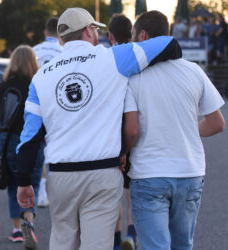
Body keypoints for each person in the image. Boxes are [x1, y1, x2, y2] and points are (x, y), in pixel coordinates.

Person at [15, 7, 182, 250]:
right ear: (88, 30)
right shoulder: (113, 57)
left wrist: (23, 181)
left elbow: (29, 138)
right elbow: (169, 43)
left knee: (62, 242)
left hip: (60, 175)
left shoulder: (40, 77)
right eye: (95, 29)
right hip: (102, 173)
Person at [124, 11, 225, 250]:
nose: (131, 43)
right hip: (190, 171)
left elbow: (131, 132)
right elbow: (217, 123)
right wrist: (186, 129)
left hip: (149, 173)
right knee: (183, 246)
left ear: (143, 34)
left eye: (133, 36)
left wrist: (121, 153)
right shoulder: (194, 71)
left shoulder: (134, 77)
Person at [0, 45, 44, 250]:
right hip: (34, 140)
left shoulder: (4, 86)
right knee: (33, 181)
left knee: (13, 182)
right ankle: (28, 220)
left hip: (9, 139)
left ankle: (16, 229)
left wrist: (0, 141)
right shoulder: (38, 84)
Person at [107, 13, 137, 250]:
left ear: (110, 35)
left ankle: (116, 242)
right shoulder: (140, 57)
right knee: (132, 190)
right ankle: (132, 234)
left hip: (113, 133)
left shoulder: (107, 58)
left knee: (115, 190)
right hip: (136, 130)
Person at [33, 16, 64, 208]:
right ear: (60, 33)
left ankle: (42, 192)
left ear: (45, 32)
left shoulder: (34, 50)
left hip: (36, 104)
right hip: (58, 106)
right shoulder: (63, 51)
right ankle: (57, 192)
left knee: (40, 150)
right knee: (58, 148)